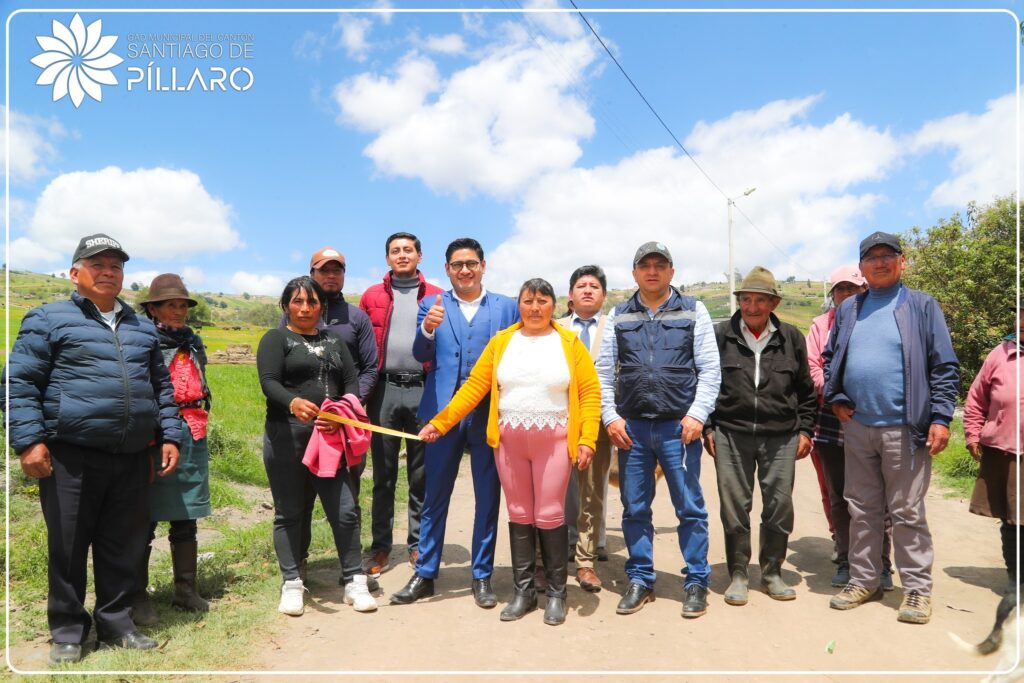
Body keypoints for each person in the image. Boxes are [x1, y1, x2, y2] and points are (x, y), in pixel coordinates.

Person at [5, 234, 181, 664]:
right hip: (71, 455)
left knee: (122, 544)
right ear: (75, 273)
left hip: (132, 455)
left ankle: (116, 623)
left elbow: (161, 388)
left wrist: (170, 436)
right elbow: (19, 381)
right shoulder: (48, 318)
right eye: (97, 264)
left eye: (115, 266)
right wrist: (29, 441)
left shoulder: (141, 328)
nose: (107, 272)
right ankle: (67, 630)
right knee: (68, 546)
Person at [418, 278, 601, 625]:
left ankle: (557, 594)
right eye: (528, 301)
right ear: (519, 306)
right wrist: (440, 423)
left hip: (555, 441)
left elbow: (590, 392)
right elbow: (474, 386)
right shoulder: (502, 341)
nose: (535, 308)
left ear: (554, 305)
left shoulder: (569, 342)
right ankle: (524, 592)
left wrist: (586, 439)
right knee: (519, 513)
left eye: (542, 301)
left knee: (549, 513)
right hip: (509, 442)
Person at [825, 231, 959, 624]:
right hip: (858, 426)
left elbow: (944, 365)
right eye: (872, 257)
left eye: (888, 255)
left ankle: (917, 589)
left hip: (905, 427)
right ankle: (865, 580)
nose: (880, 262)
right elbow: (831, 356)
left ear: (902, 261)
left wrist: (940, 417)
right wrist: (836, 396)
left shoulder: (921, 306)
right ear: (862, 267)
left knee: (906, 511)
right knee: (862, 508)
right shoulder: (849, 309)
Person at [390, 238, 519, 608]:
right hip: (443, 413)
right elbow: (421, 353)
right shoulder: (431, 305)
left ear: (483, 266)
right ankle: (425, 573)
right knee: (434, 494)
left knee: (487, 496)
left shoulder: (507, 307)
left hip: (489, 414)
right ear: (447, 269)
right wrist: (427, 330)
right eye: (457, 265)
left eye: (471, 263)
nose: (465, 270)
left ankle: (482, 575)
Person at [595, 241, 721, 619]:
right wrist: (610, 417)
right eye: (645, 265)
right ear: (635, 273)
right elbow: (603, 372)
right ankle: (640, 579)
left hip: (679, 428)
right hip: (632, 428)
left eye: (659, 265)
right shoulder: (619, 315)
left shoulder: (694, 310)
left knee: (690, 508)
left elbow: (710, 370)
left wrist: (697, 415)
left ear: (671, 271)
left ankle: (696, 580)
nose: (652, 271)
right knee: (634, 508)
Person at [257, 276, 376, 616]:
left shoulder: (334, 341)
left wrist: (343, 412)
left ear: (321, 306)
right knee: (289, 512)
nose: (305, 308)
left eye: (312, 302)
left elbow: (351, 382)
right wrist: (293, 402)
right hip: (286, 436)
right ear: (286, 306)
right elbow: (269, 382)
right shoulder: (276, 339)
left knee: (345, 510)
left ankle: (354, 581)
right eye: (297, 301)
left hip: (328, 438)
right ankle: (292, 583)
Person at [703, 266, 817, 605]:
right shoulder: (720, 335)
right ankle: (738, 574)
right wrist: (708, 427)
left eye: (760, 300)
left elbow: (806, 391)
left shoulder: (792, 338)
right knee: (734, 507)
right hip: (730, 433)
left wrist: (806, 429)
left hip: (781, 436)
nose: (752, 307)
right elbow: (705, 383)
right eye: (746, 299)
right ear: (739, 301)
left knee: (779, 506)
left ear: (774, 303)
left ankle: (771, 573)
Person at [284, 247, 378, 582]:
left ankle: (351, 570)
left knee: (347, 499)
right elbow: (282, 368)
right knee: (301, 498)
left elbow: (369, 368)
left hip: (343, 425)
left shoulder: (357, 318)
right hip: (302, 423)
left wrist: (346, 408)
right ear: (312, 273)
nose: (330, 276)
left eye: (337, 270)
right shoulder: (296, 314)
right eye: (324, 270)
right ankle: (299, 565)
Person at [358, 232, 444, 578]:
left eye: (408, 249)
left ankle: (417, 544)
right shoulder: (372, 296)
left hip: (424, 389)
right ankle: (380, 546)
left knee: (421, 473)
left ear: (420, 256)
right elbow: (362, 345)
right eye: (395, 250)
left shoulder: (438, 295)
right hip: (385, 390)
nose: (402, 254)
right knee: (384, 474)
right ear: (387, 258)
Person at [132, 274, 213, 627]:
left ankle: (185, 590)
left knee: (186, 514)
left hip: (193, 431)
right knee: (144, 517)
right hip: (155, 434)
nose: (179, 311)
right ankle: (137, 596)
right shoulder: (143, 341)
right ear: (153, 309)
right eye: (170, 305)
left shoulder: (192, 341)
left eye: (183, 305)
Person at [807, 266, 895, 590]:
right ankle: (845, 559)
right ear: (833, 295)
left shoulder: (877, 319)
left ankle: (881, 564)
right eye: (840, 289)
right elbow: (813, 367)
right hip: (832, 418)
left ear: (864, 289)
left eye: (853, 288)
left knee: (877, 497)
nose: (847, 294)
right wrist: (835, 393)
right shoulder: (820, 326)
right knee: (840, 495)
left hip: (873, 415)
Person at [558, 265, 614, 592]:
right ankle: (561, 543)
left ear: (604, 295)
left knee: (594, 485)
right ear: (571, 294)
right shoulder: (556, 327)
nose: (588, 290)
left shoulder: (613, 327)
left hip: (600, 415)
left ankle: (588, 553)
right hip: (561, 415)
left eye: (594, 286)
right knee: (560, 484)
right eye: (582, 286)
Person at [963, 304, 1023, 593]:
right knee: (1012, 520)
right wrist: (972, 434)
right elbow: (977, 398)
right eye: (1020, 314)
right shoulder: (999, 354)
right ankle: (1016, 579)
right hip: (1006, 450)